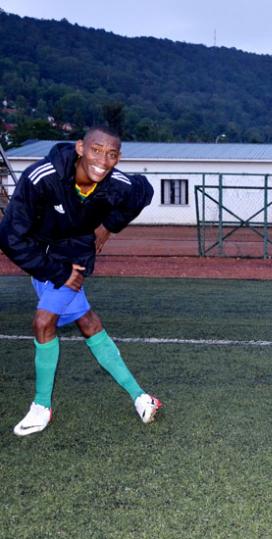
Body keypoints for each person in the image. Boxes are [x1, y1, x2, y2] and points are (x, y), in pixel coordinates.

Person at [0, 126, 162, 436]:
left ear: (118, 157)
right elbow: (9, 237)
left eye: (111, 153)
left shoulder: (116, 183)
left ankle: (41, 407)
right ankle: (143, 398)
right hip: (44, 261)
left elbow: (144, 190)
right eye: (96, 150)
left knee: (43, 322)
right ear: (79, 148)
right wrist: (53, 270)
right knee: (88, 324)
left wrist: (109, 226)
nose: (103, 159)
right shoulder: (42, 177)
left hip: (74, 260)